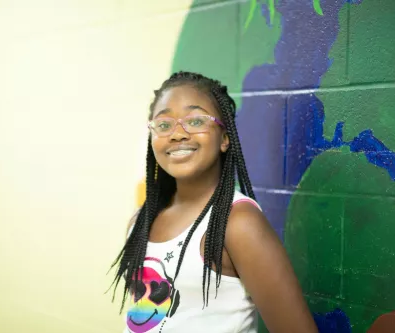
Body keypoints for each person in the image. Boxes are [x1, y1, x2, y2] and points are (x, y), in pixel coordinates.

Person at [110, 71, 318, 333]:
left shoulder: (238, 223)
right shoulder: (141, 219)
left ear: (225, 137)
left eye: (196, 121)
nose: (177, 134)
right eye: (164, 125)